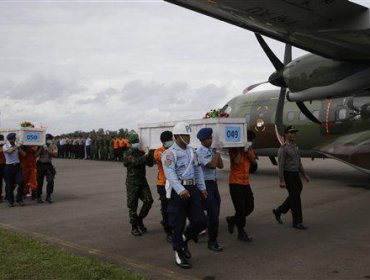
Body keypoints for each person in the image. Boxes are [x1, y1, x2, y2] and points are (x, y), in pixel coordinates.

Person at [162, 122, 207, 269]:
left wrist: (202, 187)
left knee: (200, 221)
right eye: (185, 135)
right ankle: (178, 253)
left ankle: (184, 239)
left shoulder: (192, 151)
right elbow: (170, 174)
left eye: (188, 135)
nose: (188, 138)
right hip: (178, 191)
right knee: (178, 223)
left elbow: (198, 170)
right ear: (177, 137)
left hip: (192, 188)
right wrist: (180, 189)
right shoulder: (169, 154)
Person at [273, 126, 310, 230]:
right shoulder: (283, 149)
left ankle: (279, 211)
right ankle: (297, 222)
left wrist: (304, 174)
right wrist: (281, 180)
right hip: (288, 175)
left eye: (295, 132)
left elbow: (299, 163)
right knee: (296, 199)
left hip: (296, 175)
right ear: (286, 135)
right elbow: (280, 165)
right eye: (292, 132)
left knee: (295, 195)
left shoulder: (295, 147)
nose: (294, 134)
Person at [196, 128, 224, 252]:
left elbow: (220, 166)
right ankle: (212, 241)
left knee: (215, 212)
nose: (210, 140)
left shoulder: (210, 151)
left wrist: (216, 153)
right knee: (212, 214)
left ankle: (199, 231)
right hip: (205, 185)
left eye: (211, 138)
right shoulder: (200, 152)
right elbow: (212, 165)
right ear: (202, 140)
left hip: (213, 183)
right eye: (208, 138)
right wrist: (217, 153)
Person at [123, 133, 154, 237]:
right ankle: (134, 227)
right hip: (132, 183)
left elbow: (150, 164)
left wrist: (149, 155)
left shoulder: (141, 152)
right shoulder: (127, 153)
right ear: (130, 143)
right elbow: (135, 162)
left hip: (142, 182)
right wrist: (145, 156)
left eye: (137, 141)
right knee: (133, 206)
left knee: (149, 201)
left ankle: (140, 219)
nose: (136, 143)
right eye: (134, 142)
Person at [226, 138, 257, 242]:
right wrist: (240, 148)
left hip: (245, 183)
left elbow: (253, 161)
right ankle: (241, 232)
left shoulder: (249, 148)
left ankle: (232, 219)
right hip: (235, 183)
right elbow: (237, 161)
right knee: (241, 209)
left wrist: (247, 150)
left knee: (250, 206)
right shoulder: (233, 149)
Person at [153, 131, 174, 242]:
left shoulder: (175, 149)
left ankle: (172, 225)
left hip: (175, 183)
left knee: (174, 207)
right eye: (169, 139)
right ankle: (169, 231)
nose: (172, 141)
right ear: (163, 142)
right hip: (163, 184)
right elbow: (166, 162)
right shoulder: (158, 152)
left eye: (172, 138)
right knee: (166, 208)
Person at [3, 133, 26, 207]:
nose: (15, 139)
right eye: (13, 138)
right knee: (10, 185)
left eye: (15, 138)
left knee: (21, 182)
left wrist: (19, 148)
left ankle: (19, 199)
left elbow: (24, 154)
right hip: (9, 167)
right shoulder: (5, 146)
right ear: (10, 139)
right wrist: (16, 146)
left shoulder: (16, 145)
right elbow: (9, 152)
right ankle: (11, 201)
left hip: (17, 166)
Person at [36, 134, 58, 203]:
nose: (48, 140)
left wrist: (47, 150)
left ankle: (48, 196)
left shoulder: (53, 146)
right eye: (46, 139)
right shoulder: (40, 146)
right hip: (40, 164)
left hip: (48, 165)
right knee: (39, 182)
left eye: (49, 139)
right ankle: (38, 196)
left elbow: (55, 155)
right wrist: (41, 148)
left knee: (50, 181)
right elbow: (36, 155)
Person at [0, 135, 6, 202]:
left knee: (8, 181)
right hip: (1, 165)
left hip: (5, 164)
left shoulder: (4, 145)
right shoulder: (3, 146)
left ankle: (8, 195)